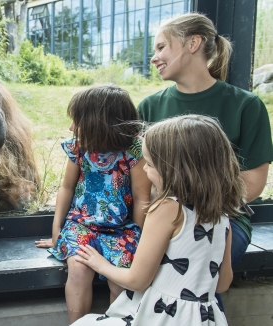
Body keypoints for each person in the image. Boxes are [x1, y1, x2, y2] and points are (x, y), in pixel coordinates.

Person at [137, 12, 273, 309]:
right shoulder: (149, 106)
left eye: (161, 47)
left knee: (200, 270)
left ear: (193, 43)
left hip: (221, 218)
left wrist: (189, 211)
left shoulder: (246, 106)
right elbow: (140, 179)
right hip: (162, 217)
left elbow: (252, 184)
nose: (154, 57)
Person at [71, 115, 242, 326]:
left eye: (150, 164)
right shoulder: (222, 215)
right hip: (203, 319)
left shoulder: (168, 209)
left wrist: (101, 264)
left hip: (163, 317)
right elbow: (222, 283)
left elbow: (137, 280)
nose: (144, 169)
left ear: (176, 170)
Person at [35, 85, 152, 323]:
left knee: (120, 279)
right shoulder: (79, 148)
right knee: (78, 269)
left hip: (123, 228)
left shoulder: (133, 152)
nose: (71, 128)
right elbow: (66, 188)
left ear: (99, 123)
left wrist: (137, 236)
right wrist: (57, 230)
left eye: (77, 121)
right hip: (82, 225)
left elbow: (142, 198)